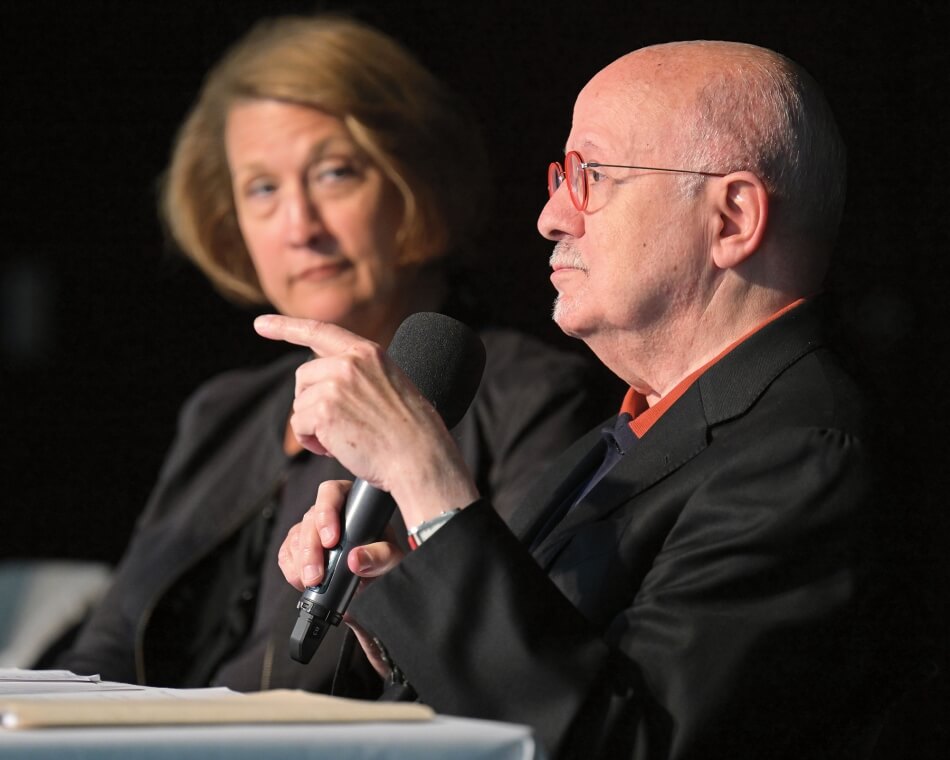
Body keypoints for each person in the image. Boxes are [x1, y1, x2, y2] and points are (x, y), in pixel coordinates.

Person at [263, 40, 923, 759]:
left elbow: (628, 745)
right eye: (562, 176)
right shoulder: (631, 431)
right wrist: (408, 595)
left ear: (731, 219)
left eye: (593, 175)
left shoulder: (804, 456)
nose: (551, 216)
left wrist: (424, 477)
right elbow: (557, 670)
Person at [57, 15, 602, 697]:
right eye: (262, 189)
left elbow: (525, 661)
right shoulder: (220, 412)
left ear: (414, 181)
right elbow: (108, 644)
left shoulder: (535, 394)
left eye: (335, 174)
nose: (299, 227)